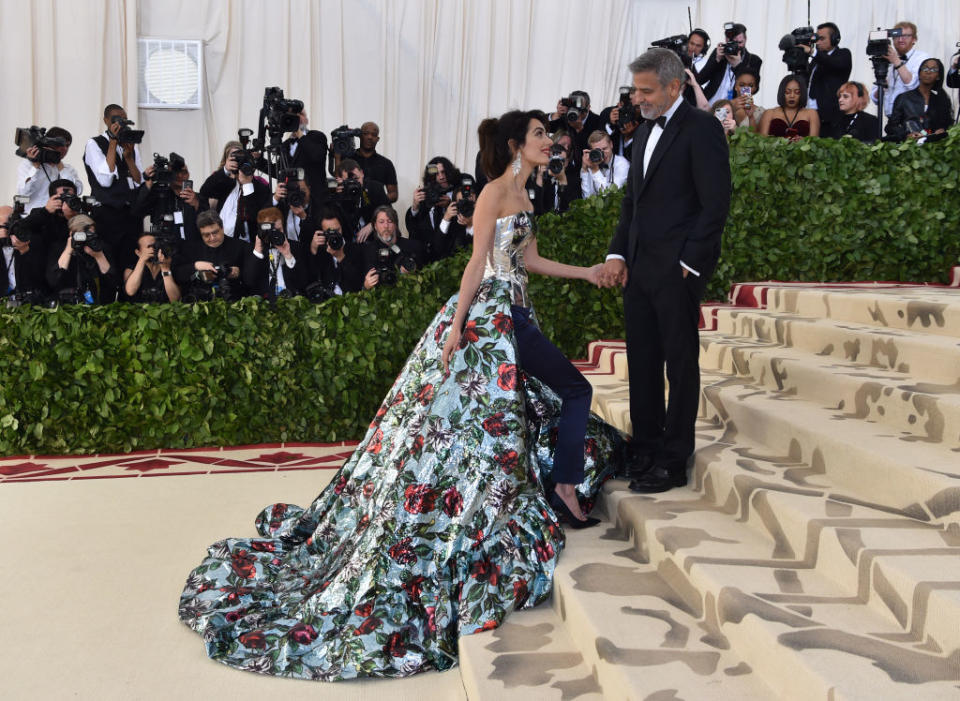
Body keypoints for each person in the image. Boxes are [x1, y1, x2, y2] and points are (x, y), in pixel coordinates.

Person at [178, 108, 625, 681]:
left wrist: (587, 273)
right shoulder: (492, 192)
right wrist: (458, 326)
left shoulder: (526, 192)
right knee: (504, 418)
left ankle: (558, 482)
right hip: (491, 321)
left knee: (564, 395)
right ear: (517, 143)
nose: (549, 142)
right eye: (540, 134)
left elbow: (528, 261)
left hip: (519, 315)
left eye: (547, 135)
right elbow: (476, 265)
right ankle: (548, 490)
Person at [600, 47, 731, 493]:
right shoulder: (642, 134)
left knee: (679, 363)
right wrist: (618, 253)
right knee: (641, 360)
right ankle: (647, 447)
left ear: (674, 87)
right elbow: (631, 203)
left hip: (676, 270)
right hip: (638, 268)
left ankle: (674, 458)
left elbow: (715, 205)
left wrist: (689, 265)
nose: (638, 98)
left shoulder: (702, 128)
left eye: (646, 90)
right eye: (636, 90)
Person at [82, 104, 143, 250]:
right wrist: (113, 142)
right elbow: (105, 180)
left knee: (130, 258)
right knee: (110, 257)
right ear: (106, 121)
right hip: (107, 214)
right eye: (116, 119)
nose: (120, 123)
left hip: (131, 214)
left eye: (124, 119)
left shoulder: (130, 145)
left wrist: (128, 158)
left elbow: (138, 181)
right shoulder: (94, 144)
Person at [870, 21, 930, 118]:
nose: (901, 39)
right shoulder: (885, 58)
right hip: (892, 120)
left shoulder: (922, 58)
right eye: (897, 36)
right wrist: (882, 86)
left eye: (906, 36)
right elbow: (875, 99)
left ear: (914, 39)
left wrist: (896, 61)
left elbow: (912, 85)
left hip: (912, 118)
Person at [16, 127, 84, 213]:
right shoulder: (27, 165)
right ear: (48, 144)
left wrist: (60, 166)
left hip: (60, 217)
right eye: (60, 145)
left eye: (67, 145)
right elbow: (23, 193)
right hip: (35, 216)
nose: (65, 149)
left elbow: (78, 191)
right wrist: (35, 167)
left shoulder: (67, 168)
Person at [802, 23, 852, 137]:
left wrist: (812, 52)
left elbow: (832, 63)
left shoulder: (843, 54)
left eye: (822, 39)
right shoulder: (816, 59)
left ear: (835, 39)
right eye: (816, 39)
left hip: (829, 118)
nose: (817, 42)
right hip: (808, 112)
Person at [886, 58, 953, 141]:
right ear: (919, 73)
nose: (928, 71)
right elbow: (891, 127)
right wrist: (906, 135)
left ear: (938, 76)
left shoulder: (941, 100)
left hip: (934, 147)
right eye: (925, 68)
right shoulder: (904, 98)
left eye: (933, 69)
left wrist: (942, 131)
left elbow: (949, 125)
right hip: (909, 147)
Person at [696, 22, 763, 106]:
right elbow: (700, 80)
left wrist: (738, 66)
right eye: (732, 42)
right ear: (726, 40)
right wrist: (716, 60)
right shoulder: (719, 53)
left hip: (735, 109)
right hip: (711, 105)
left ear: (745, 39)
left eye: (739, 42)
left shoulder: (754, 60)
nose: (736, 46)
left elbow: (751, 92)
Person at [123, 232, 181, 302]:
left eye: (155, 246)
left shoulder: (169, 266)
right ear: (138, 252)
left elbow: (175, 299)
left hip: (165, 311)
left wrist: (165, 269)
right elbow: (130, 291)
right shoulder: (131, 269)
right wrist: (142, 260)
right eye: (149, 246)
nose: (153, 249)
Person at [759, 74, 821, 140]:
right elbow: (762, 141)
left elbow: (814, 142)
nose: (792, 96)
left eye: (797, 92)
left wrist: (803, 141)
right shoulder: (769, 113)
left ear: (802, 93)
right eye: (787, 92)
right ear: (782, 93)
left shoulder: (812, 114)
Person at [352, 122, 399, 203]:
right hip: (351, 209)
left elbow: (393, 194)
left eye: (373, 135)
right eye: (366, 133)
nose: (370, 137)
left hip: (376, 211)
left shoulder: (386, 164)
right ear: (360, 136)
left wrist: (378, 201)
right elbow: (338, 181)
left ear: (377, 139)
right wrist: (336, 156)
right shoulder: (349, 160)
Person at [580, 131, 629, 198]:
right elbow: (587, 197)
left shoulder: (622, 164)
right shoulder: (592, 164)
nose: (602, 154)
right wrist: (584, 170)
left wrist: (595, 171)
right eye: (598, 151)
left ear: (611, 144)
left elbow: (609, 195)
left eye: (604, 149)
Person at [729, 66, 764, 130]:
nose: (746, 89)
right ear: (735, 86)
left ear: (755, 88)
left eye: (750, 86)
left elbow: (756, 137)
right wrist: (730, 109)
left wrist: (751, 117)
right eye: (742, 85)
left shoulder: (760, 112)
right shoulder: (723, 105)